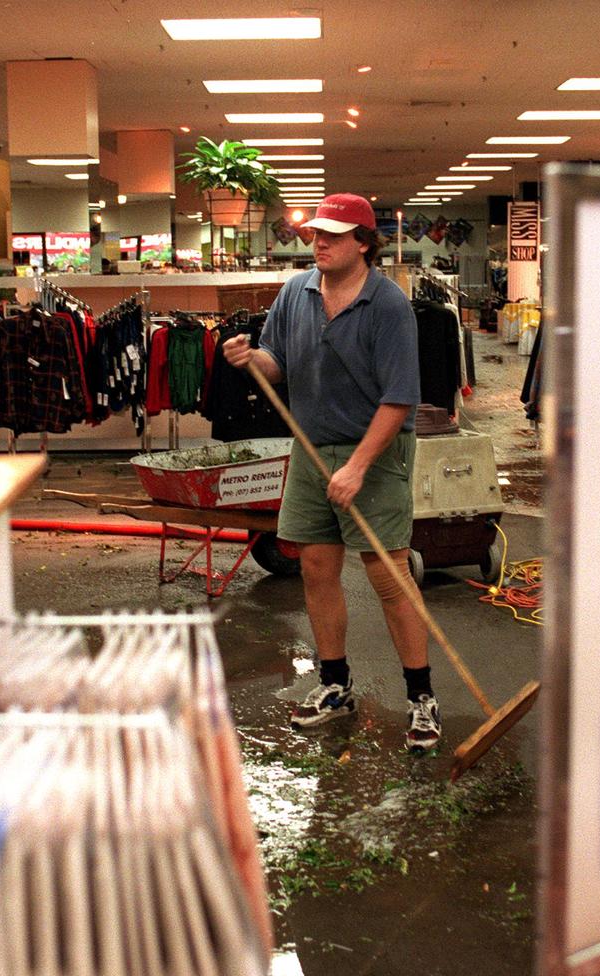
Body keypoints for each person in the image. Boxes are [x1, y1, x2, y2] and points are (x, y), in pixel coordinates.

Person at [222, 193, 441, 752]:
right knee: (316, 566)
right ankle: (335, 683)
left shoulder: (387, 305)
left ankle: (421, 698)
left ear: (363, 242)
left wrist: (358, 467)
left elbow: (400, 401)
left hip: (375, 449)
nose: (318, 241)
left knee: (388, 575)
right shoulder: (295, 292)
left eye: (334, 234)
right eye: (316, 232)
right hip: (310, 447)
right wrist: (252, 360)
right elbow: (278, 361)